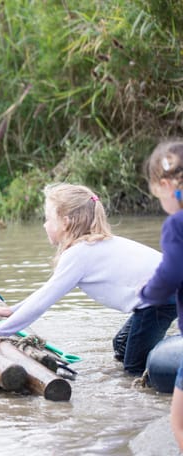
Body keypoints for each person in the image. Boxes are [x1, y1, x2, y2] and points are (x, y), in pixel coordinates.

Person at [0, 182, 176, 377]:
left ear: (66, 222)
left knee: (133, 368)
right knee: (121, 346)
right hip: (163, 293)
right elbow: (49, 289)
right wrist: (12, 310)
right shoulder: (90, 247)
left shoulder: (80, 254)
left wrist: (0, 329)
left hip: (162, 299)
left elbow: (44, 301)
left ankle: (149, 397)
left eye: (48, 219)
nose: (44, 225)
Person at [137, 139, 183, 450]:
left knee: (179, 425)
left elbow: (170, 274)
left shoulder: (176, 225)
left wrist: (147, 293)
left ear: (166, 185)